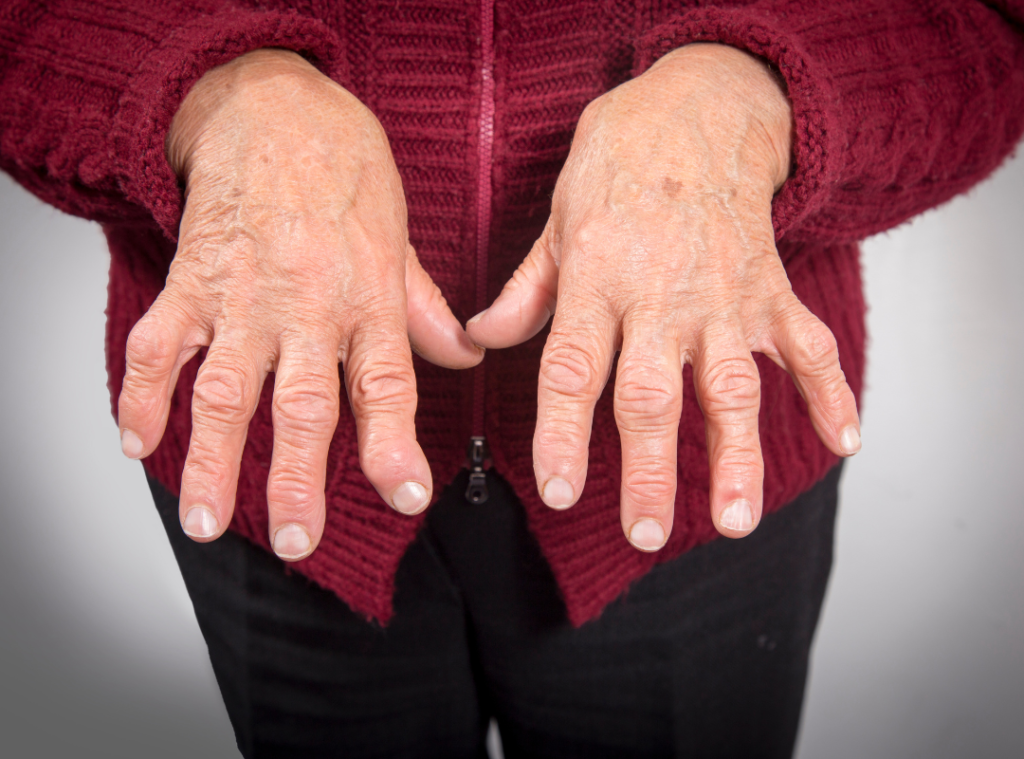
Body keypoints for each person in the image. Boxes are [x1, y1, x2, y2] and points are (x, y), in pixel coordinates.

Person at [2, 1, 1022, 756]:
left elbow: (983, 28)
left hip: (688, 450)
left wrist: (756, 90)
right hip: (273, 437)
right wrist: (214, 93)